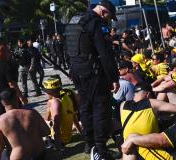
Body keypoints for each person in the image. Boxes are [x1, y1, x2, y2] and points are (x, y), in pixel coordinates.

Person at [66, 0, 119, 159]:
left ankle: (88, 143)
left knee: (85, 107)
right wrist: (113, 78)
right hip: (94, 72)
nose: (109, 21)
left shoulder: (75, 20)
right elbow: (105, 54)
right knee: (100, 108)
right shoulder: (96, 23)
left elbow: (68, 48)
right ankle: (101, 150)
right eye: (110, 17)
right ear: (104, 12)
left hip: (76, 70)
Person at [0, 88, 50, 160]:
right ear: (17, 99)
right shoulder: (32, 113)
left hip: (19, 157)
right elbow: (46, 131)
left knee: (3, 154)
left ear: (2, 103)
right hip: (39, 155)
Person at [0, 45, 27, 116]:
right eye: (7, 52)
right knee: (16, 116)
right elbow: (12, 84)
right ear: (1, 53)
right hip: (8, 97)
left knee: (1, 116)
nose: (9, 53)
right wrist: (21, 97)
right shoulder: (6, 65)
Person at [43, 78, 80, 147]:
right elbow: (74, 116)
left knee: (43, 122)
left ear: (50, 92)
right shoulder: (67, 98)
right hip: (68, 137)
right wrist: (80, 131)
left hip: (59, 139)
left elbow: (54, 124)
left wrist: (58, 145)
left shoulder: (52, 102)